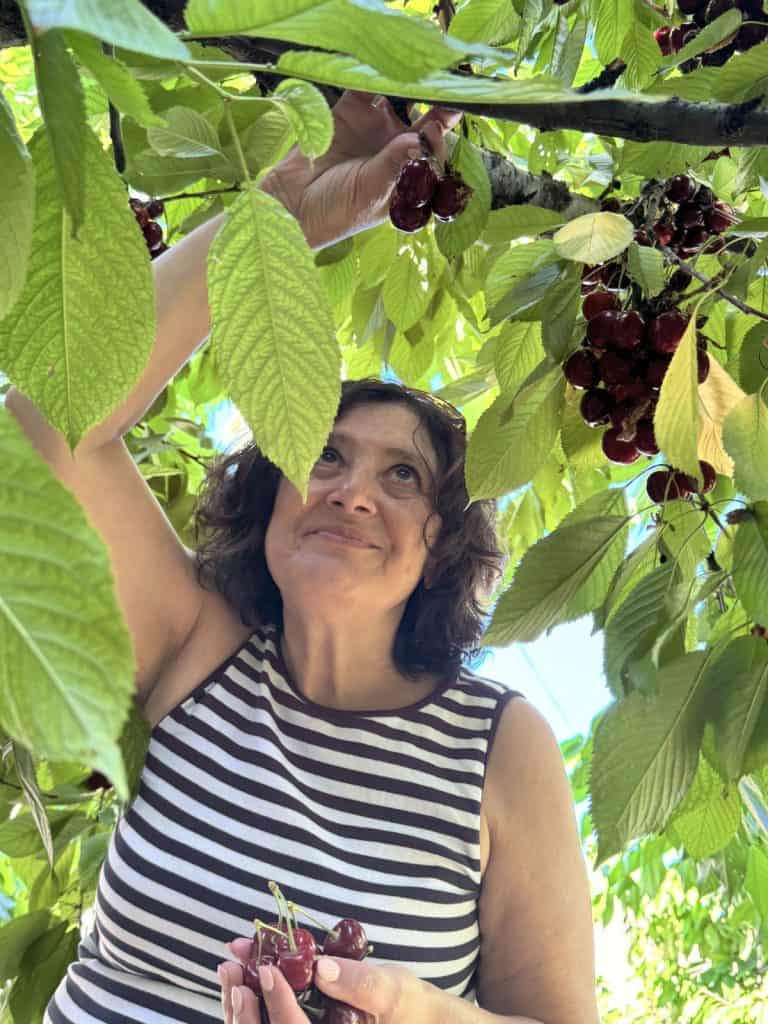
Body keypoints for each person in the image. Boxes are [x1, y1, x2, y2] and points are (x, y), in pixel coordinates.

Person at [7, 92, 599, 1024]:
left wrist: (420, 1012)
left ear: (443, 543)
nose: (353, 490)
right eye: (323, 454)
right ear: (268, 495)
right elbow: (43, 428)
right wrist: (276, 226)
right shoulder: (198, 647)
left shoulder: (498, 747)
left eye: (403, 475)